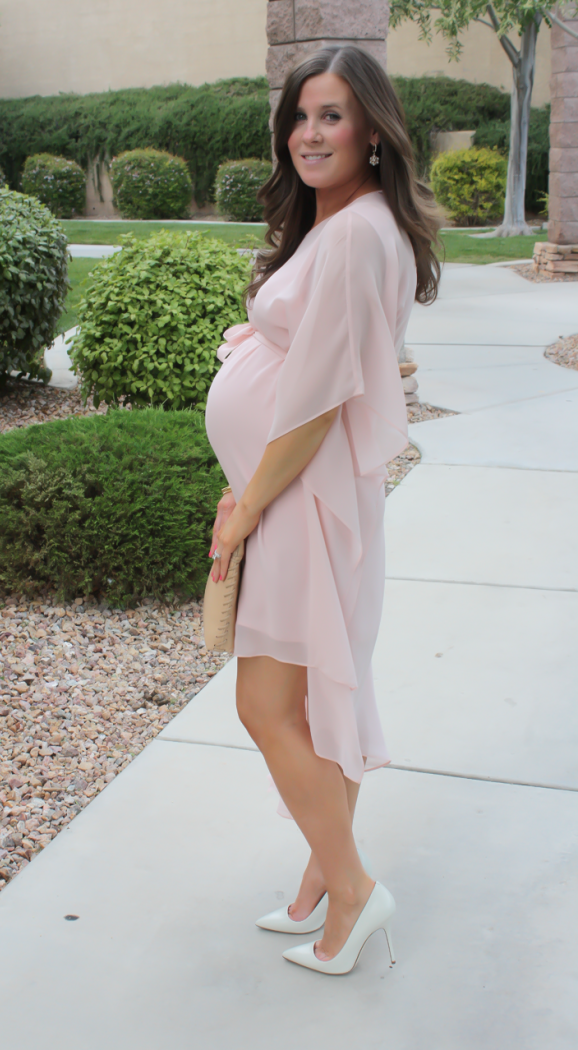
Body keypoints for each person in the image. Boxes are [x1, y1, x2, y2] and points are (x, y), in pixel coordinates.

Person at [204, 45, 441, 975]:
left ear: (373, 129)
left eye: (332, 115)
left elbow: (311, 401)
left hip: (302, 504)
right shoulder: (350, 222)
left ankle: (353, 890)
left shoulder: (352, 235)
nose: (309, 132)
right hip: (306, 496)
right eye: (301, 115)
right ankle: (322, 885)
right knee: (314, 702)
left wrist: (246, 505)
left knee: (266, 705)